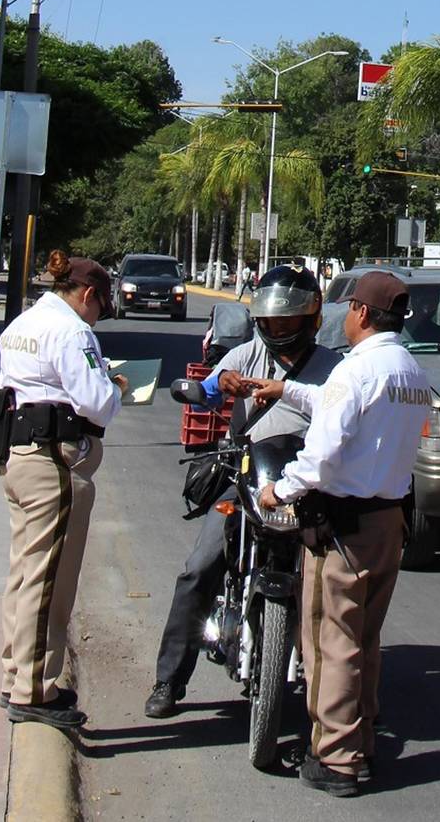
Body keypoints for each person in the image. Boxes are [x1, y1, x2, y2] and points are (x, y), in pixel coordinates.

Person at [248, 270, 430, 797]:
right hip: (387, 520)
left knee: (331, 641)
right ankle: (361, 742)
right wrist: (289, 389)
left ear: (364, 315)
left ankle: (336, 758)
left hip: (343, 528)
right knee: (365, 639)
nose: (344, 318)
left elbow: (321, 457)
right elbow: (345, 409)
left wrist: (279, 490)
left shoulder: (357, 372)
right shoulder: (408, 371)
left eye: (349, 309)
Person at [145, 265, 342, 718]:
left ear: (311, 320)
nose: (279, 329)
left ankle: (347, 693)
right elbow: (202, 390)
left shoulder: (334, 368)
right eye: (271, 322)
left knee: (345, 580)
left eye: (288, 322)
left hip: (309, 485)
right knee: (200, 567)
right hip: (247, 476)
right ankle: (169, 680)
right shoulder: (245, 357)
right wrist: (217, 385)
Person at [0, 250, 127, 730]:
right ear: (88, 295)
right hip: (54, 460)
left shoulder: (23, 324)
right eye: (99, 306)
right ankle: (33, 690)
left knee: (24, 573)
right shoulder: (74, 332)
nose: (98, 316)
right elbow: (97, 404)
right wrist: (113, 385)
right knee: (49, 581)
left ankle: (17, 675)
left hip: (17, 455)